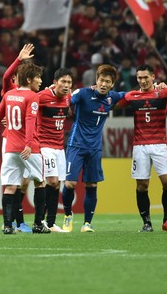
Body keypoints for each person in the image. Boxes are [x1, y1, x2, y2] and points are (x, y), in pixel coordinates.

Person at [0, 62, 50, 234]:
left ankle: (7, 226)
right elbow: (29, 120)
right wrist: (28, 143)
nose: (40, 81)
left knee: (10, 186)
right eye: (38, 78)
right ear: (29, 79)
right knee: (40, 182)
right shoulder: (32, 97)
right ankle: (38, 224)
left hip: (10, 148)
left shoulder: (9, 95)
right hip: (29, 148)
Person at [62, 64, 126, 232]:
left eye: (107, 82)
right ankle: (68, 216)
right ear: (96, 80)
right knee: (69, 183)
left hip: (95, 148)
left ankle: (87, 223)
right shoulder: (83, 93)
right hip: (76, 144)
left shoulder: (113, 97)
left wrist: (157, 87)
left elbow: (133, 95)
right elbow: (66, 99)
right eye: (101, 80)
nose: (103, 84)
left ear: (112, 84)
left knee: (91, 185)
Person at [117, 64, 167, 233]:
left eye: (145, 77)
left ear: (153, 77)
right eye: (139, 78)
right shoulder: (132, 96)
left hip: (160, 145)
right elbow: (114, 104)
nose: (142, 81)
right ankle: (147, 223)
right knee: (142, 186)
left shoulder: (164, 93)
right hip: (140, 146)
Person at [0, 43, 35, 233]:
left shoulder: (31, 93)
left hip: (26, 140)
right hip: (10, 139)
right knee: (12, 183)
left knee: (24, 182)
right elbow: (5, 76)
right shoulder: (9, 90)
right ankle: (15, 222)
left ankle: (15, 221)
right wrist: (19, 59)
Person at [38, 67, 73, 233]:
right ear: (55, 83)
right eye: (63, 82)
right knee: (50, 181)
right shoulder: (43, 96)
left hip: (60, 147)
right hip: (44, 145)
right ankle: (40, 221)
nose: (66, 85)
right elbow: (26, 105)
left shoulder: (68, 97)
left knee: (57, 184)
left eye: (69, 82)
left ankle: (50, 223)